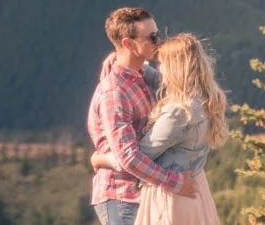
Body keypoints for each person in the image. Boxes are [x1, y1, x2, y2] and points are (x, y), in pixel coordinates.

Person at [91, 33, 227, 225]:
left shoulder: (178, 113)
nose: (160, 69)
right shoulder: (205, 98)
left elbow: (137, 157)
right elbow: (161, 82)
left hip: (171, 197)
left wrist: (101, 159)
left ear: (174, 69)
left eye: (162, 64)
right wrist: (122, 58)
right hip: (196, 190)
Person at [87, 7, 198, 225]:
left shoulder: (141, 76)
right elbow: (128, 157)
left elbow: (178, 88)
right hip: (122, 197)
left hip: (142, 193)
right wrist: (176, 183)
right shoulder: (114, 92)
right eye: (152, 37)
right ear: (129, 44)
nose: (160, 42)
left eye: (159, 34)